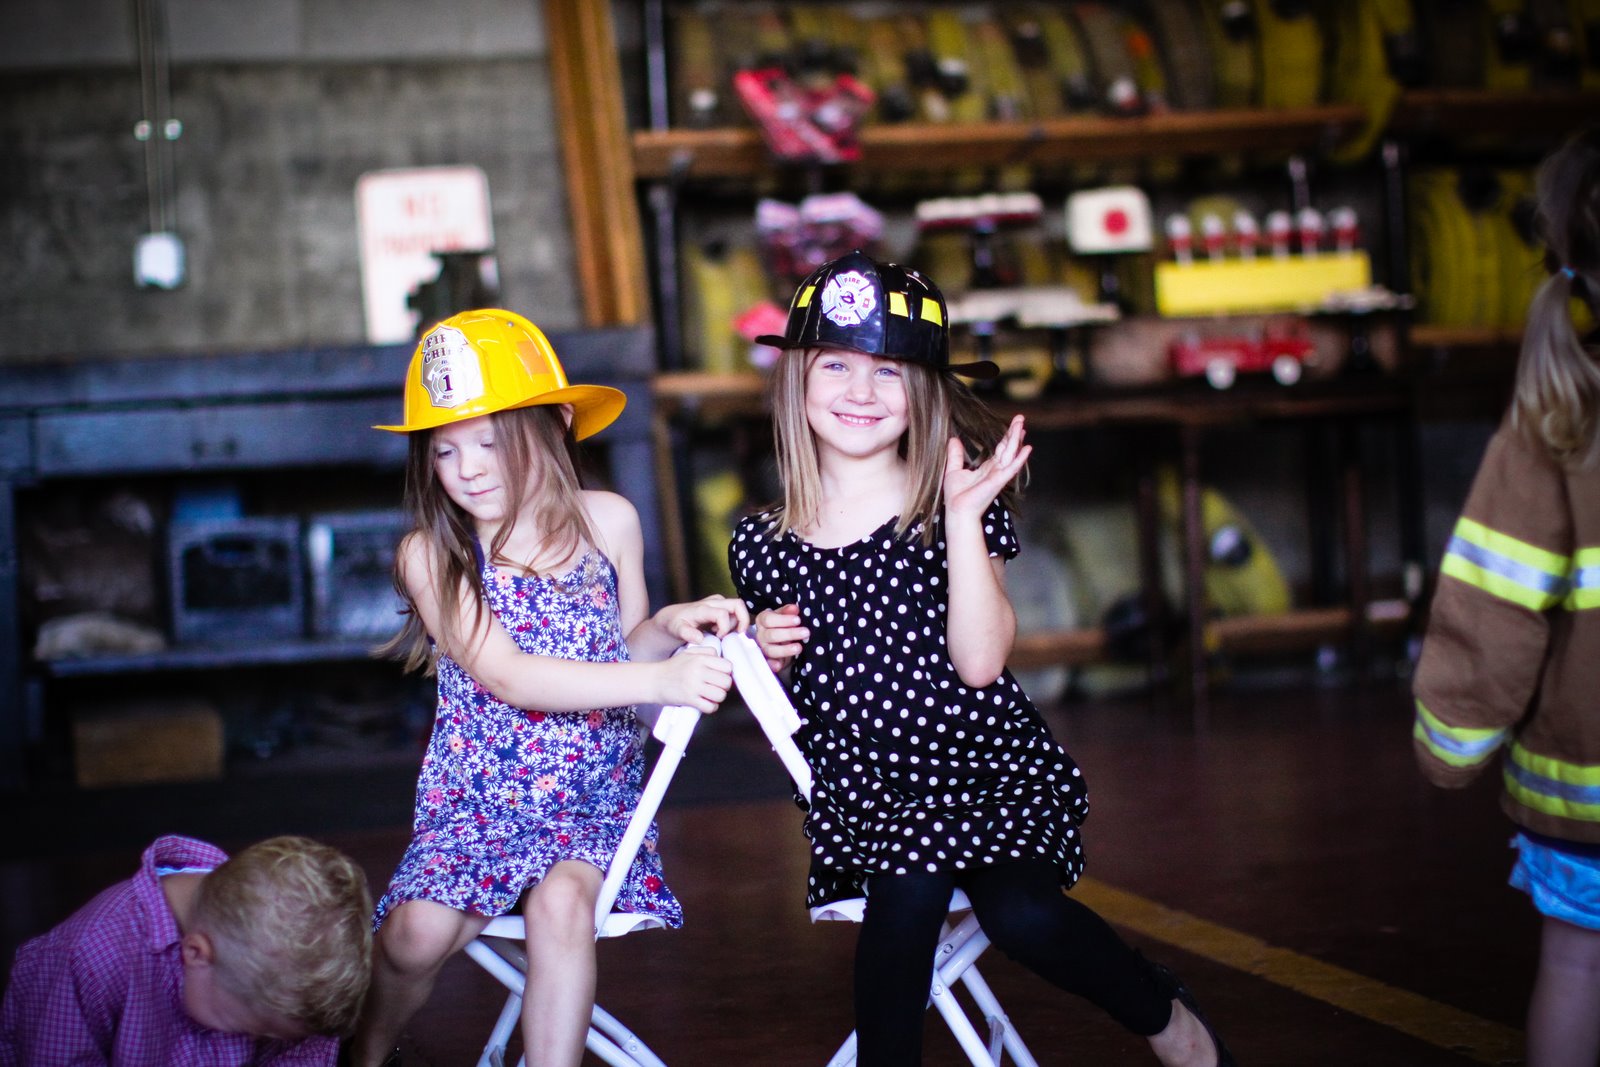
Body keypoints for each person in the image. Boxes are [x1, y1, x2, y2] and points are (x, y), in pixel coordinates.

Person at [729, 251, 1233, 1067]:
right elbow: (781, 694)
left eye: (889, 371)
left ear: (925, 390)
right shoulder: (764, 543)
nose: (862, 391)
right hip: (872, 794)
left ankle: (1167, 1017)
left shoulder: (950, 505)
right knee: (907, 890)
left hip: (987, 773)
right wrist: (762, 647)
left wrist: (964, 520)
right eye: (837, 364)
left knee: (1024, 915)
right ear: (796, 378)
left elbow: (980, 662)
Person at [351, 309, 748, 1067]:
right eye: (445, 450)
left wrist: (669, 626)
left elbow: (625, 658)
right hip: (478, 804)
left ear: (556, 424)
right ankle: (363, 1053)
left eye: (490, 442)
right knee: (412, 934)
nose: (468, 469)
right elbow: (510, 674)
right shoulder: (432, 554)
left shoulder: (609, 522)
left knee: (562, 906)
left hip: (592, 799)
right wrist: (657, 674)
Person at [1412, 125, 1600, 1067]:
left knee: (1577, 964)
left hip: (1584, 792)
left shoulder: (1557, 422)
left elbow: (1492, 614)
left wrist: (1450, 743)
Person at [0, 833, 372, 1066]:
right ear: (196, 954)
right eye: (253, 1031)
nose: (255, 1042)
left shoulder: (281, 979)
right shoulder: (88, 955)